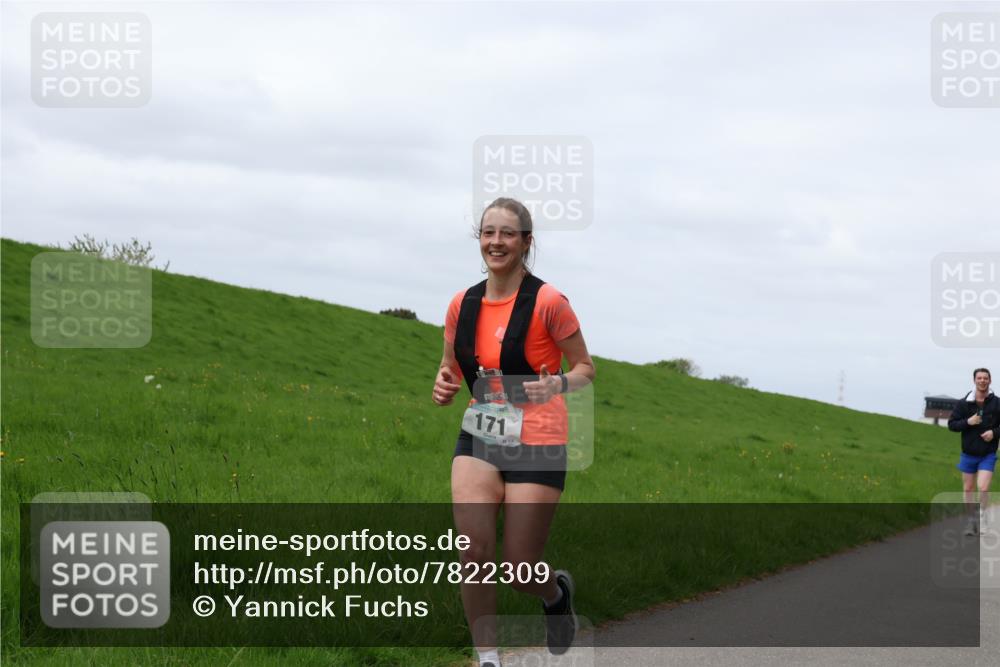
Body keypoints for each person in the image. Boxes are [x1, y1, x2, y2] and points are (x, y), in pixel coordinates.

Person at [432, 197, 595, 667]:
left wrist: (560, 383)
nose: (496, 242)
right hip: (480, 434)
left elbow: (586, 367)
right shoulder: (461, 305)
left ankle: (555, 594)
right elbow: (449, 370)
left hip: (539, 439)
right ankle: (488, 659)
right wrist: (444, 385)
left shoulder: (549, 302)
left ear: (526, 242)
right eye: (488, 233)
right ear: (479, 239)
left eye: (507, 234)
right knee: (472, 550)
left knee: (519, 566)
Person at [948, 368, 999, 536]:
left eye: (985, 378)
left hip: (988, 453)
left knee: (983, 488)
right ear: (974, 380)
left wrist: (994, 433)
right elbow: (952, 425)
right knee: (968, 489)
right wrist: (968, 422)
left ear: (990, 381)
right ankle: (970, 522)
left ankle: (983, 519)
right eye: (979, 378)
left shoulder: (997, 403)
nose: (982, 381)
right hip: (968, 453)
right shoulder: (964, 403)